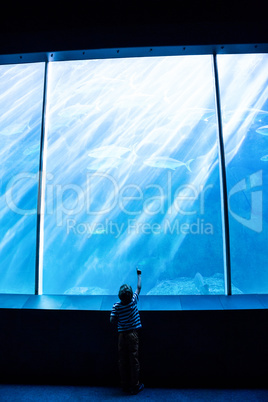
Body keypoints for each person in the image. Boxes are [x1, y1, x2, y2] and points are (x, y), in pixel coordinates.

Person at [110, 267, 144, 395]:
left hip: (122, 336)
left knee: (122, 360)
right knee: (133, 359)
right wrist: (139, 275)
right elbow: (139, 288)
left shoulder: (116, 306)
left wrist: (115, 317)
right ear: (130, 295)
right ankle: (135, 385)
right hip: (133, 335)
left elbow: (112, 320)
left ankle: (124, 384)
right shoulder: (133, 301)